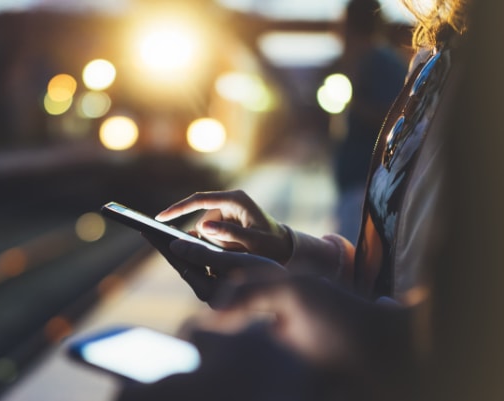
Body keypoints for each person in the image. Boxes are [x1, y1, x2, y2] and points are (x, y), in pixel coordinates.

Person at [116, 0, 471, 399]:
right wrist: (289, 248)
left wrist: (349, 331)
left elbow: (472, 343)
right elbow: (398, 277)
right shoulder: (435, 59)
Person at [331, 0, 408, 243]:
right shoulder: (370, 60)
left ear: (351, 25)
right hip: (360, 186)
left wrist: (354, 105)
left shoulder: (379, 62)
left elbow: (393, 117)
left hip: (365, 188)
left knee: (352, 264)